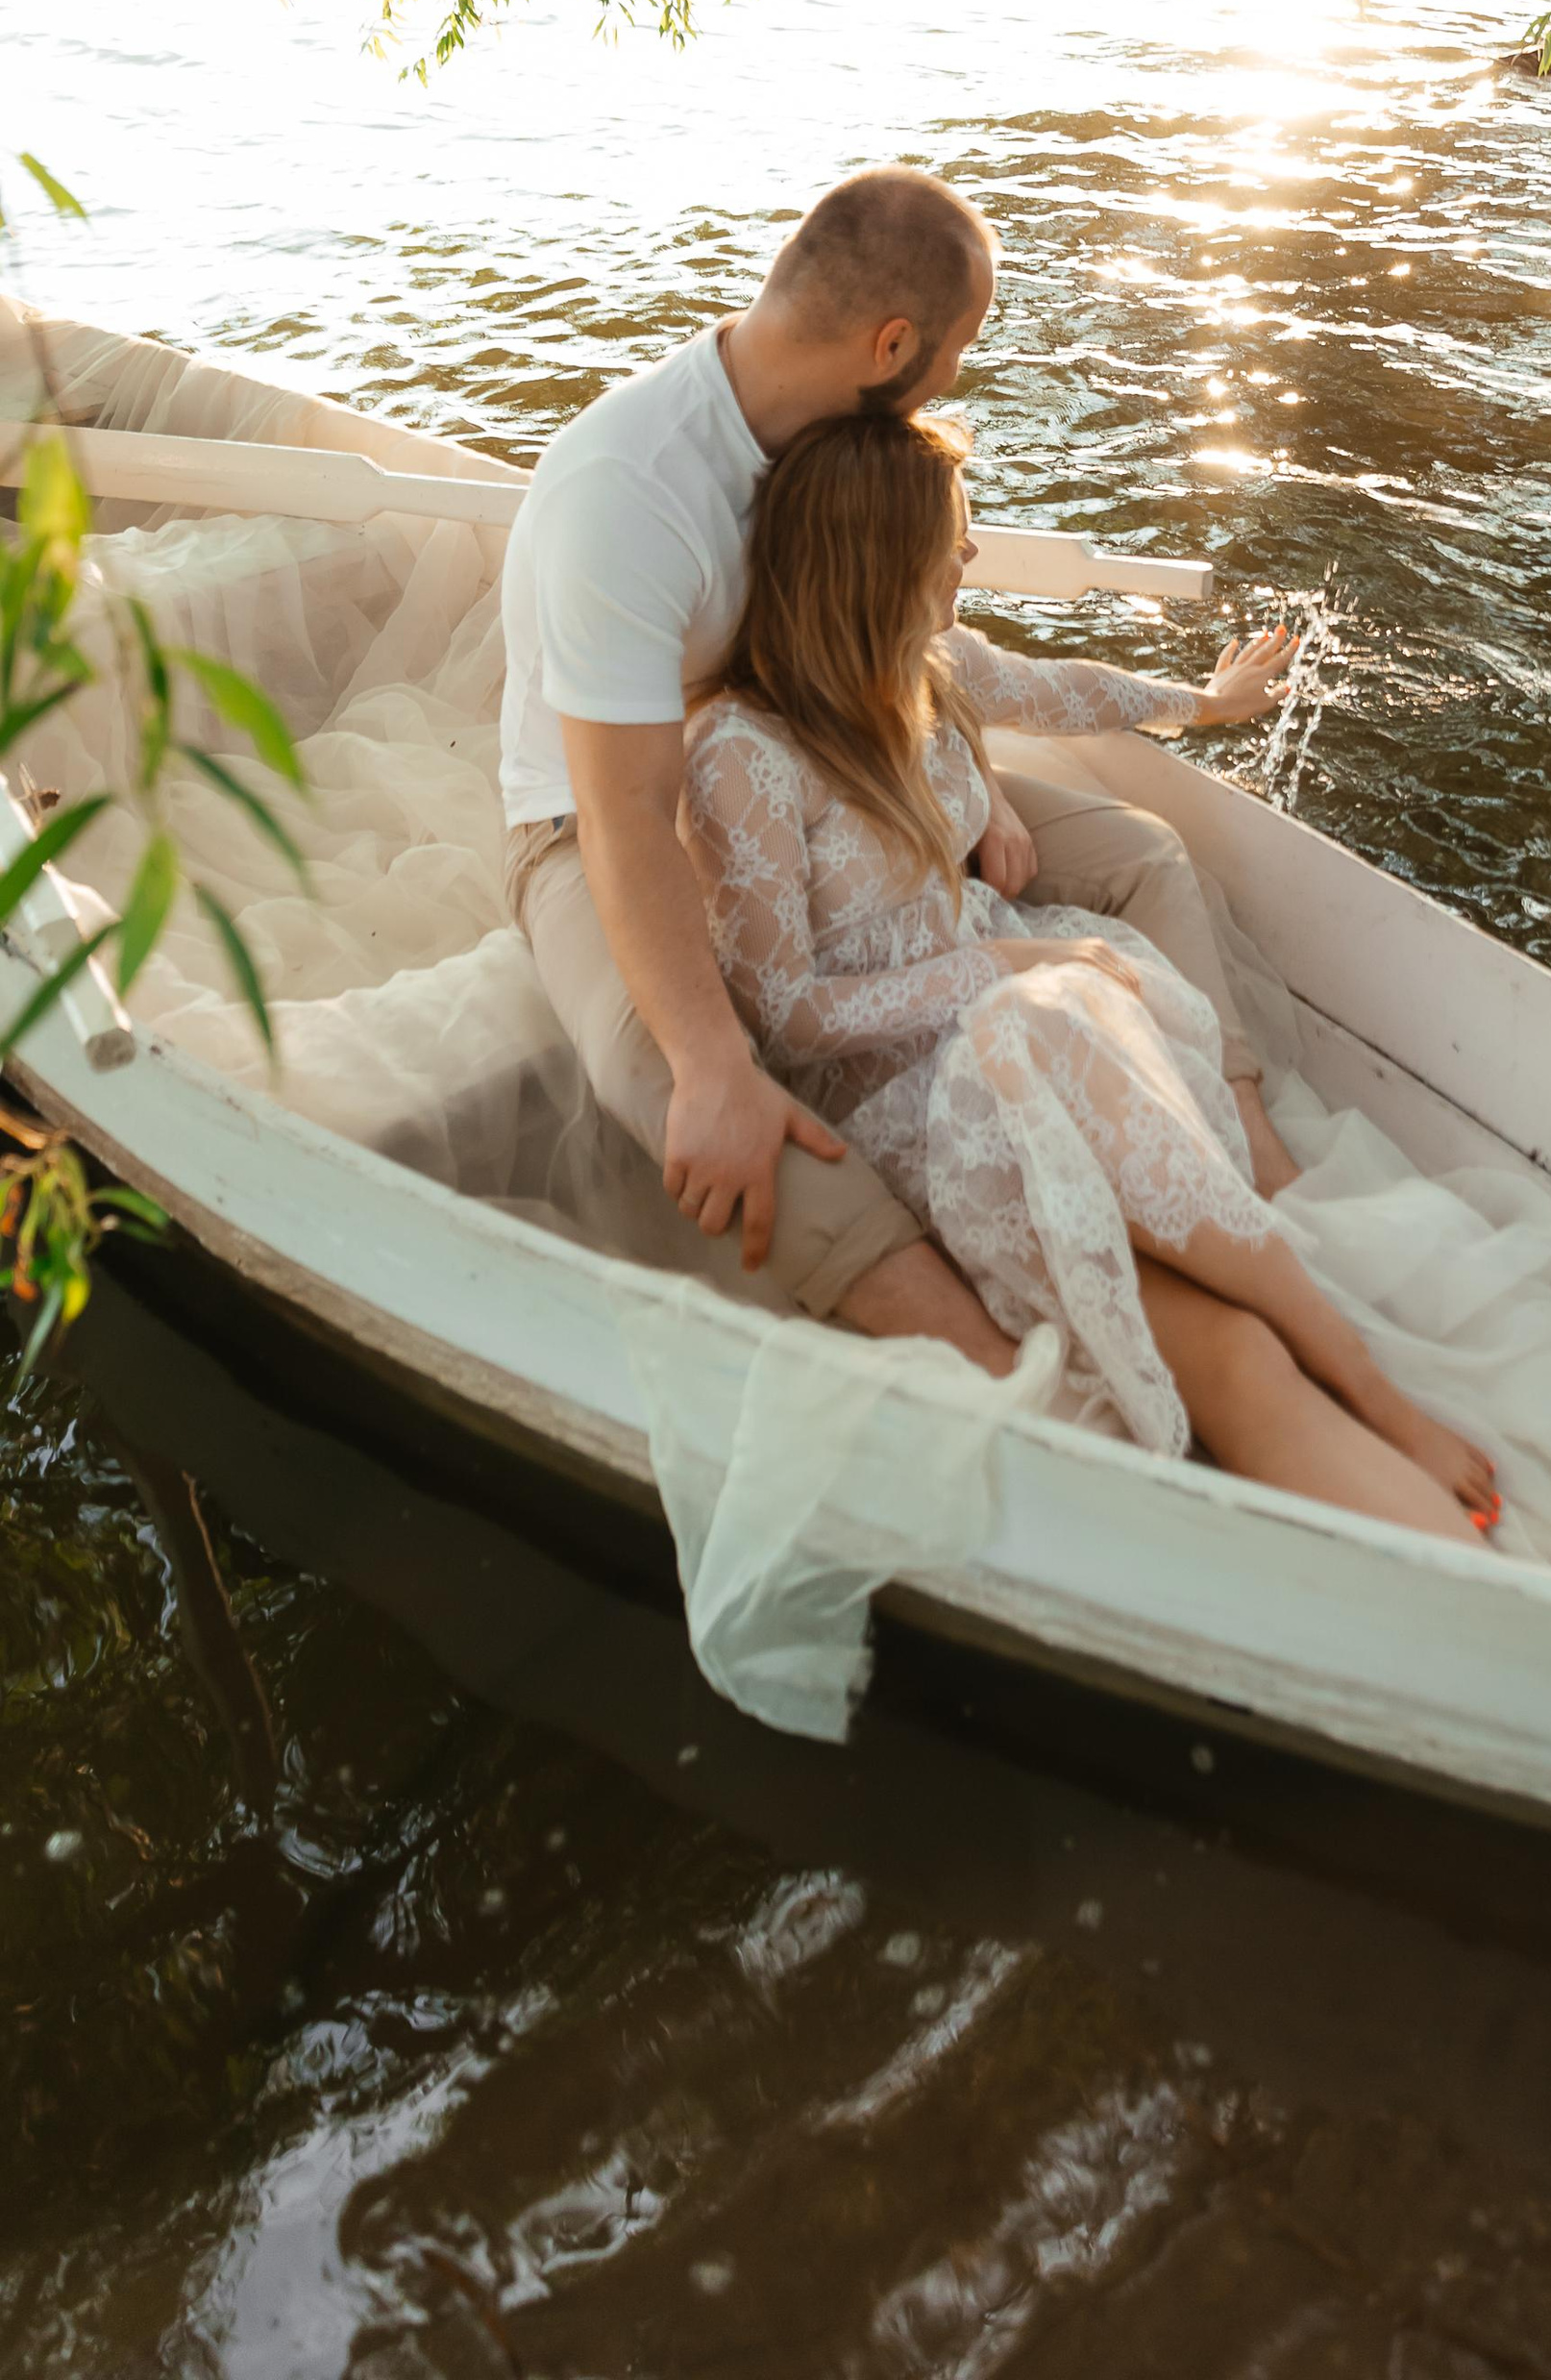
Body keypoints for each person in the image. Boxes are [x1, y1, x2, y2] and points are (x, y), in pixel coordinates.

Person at [499, 166, 1296, 1366]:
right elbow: (627, 811)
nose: (958, 378)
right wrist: (711, 1061)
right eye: (957, 349)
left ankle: (1253, 1166)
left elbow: (906, 638)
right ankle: (1005, 1379)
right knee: (701, 1094)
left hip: (834, 763)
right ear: (889, 343)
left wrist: (971, 777)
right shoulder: (632, 496)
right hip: (597, 817)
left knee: (1137, 856)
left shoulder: (840, 439)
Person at [681, 403, 1498, 1540]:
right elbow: (786, 1014)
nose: (971, 553)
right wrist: (1003, 963)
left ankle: (1362, 1380)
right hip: (902, 1098)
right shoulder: (745, 756)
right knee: (1230, 1351)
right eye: (952, 539)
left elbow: (1070, 689)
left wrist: (1203, 704)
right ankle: (1368, 1408)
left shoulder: (930, 669)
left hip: (1019, 1022)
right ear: (878, 568)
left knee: (1053, 1015)